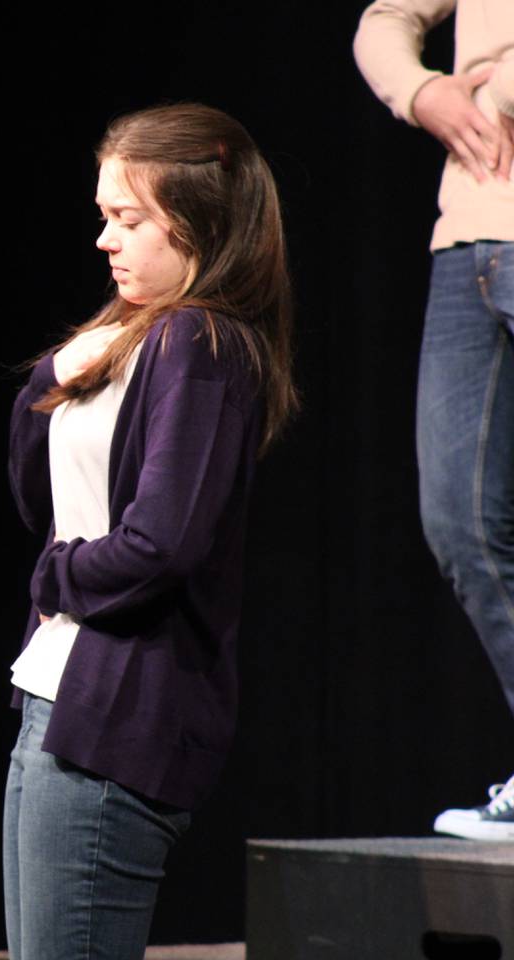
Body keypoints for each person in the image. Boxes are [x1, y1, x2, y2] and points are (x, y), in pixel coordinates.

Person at [3, 103, 297, 960]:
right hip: (52, 698)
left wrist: (50, 578)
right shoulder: (134, 336)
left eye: (127, 219)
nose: (105, 240)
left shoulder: (203, 344)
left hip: (117, 712)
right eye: (104, 218)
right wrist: (47, 382)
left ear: (199, 222)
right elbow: (37, 501)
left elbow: (162, 546)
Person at [353, 0, 513, 842]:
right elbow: (384, 20)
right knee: (459, 523)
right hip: (470, 243)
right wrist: (422, 92)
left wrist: (501, 87)